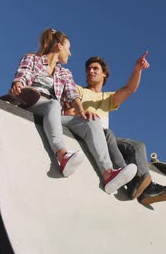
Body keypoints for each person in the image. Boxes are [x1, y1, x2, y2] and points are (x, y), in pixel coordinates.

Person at [10, 28, 136, 194]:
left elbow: (72, 95)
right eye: (68, 48)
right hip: (32, 103)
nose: (70, 53)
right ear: (59, 47)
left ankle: (108, 173)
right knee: (54, 104)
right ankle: (62, 155)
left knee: (92, 120)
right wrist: (19, 84)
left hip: (52, 113)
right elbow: (23, 75)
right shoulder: (33, 59)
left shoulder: (64, 73)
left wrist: (82, 111)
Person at [66, 53, 166, 205]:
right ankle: (134, 183)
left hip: (107, 137)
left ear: (104, 74)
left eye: (95, 68)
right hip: (86, 131)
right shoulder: (79, 90)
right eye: (88, 69)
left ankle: (147, 190)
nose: (90, 71)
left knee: (137, 146)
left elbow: (129, 89)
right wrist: (82, 114)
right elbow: (68, 111)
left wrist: (137, 69)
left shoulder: (107, 97)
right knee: (107, 133)